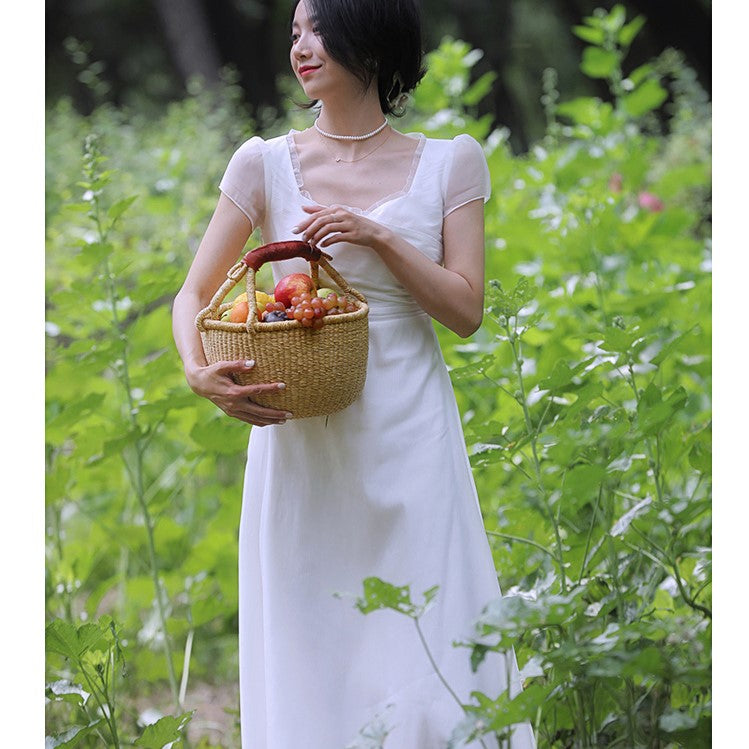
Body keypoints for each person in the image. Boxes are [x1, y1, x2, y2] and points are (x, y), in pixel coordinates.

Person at [172, 0, 536, 746]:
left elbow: (464, 310)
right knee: (316, 632)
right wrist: (195, 369)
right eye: (294, 33)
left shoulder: (450, 160)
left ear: (366, 37)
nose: (300, 47)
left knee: (427, 623)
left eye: (317, 29)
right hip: (304, 434)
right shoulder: (262, 162)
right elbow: (193, 294)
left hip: (411, 427)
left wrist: (377, 236)